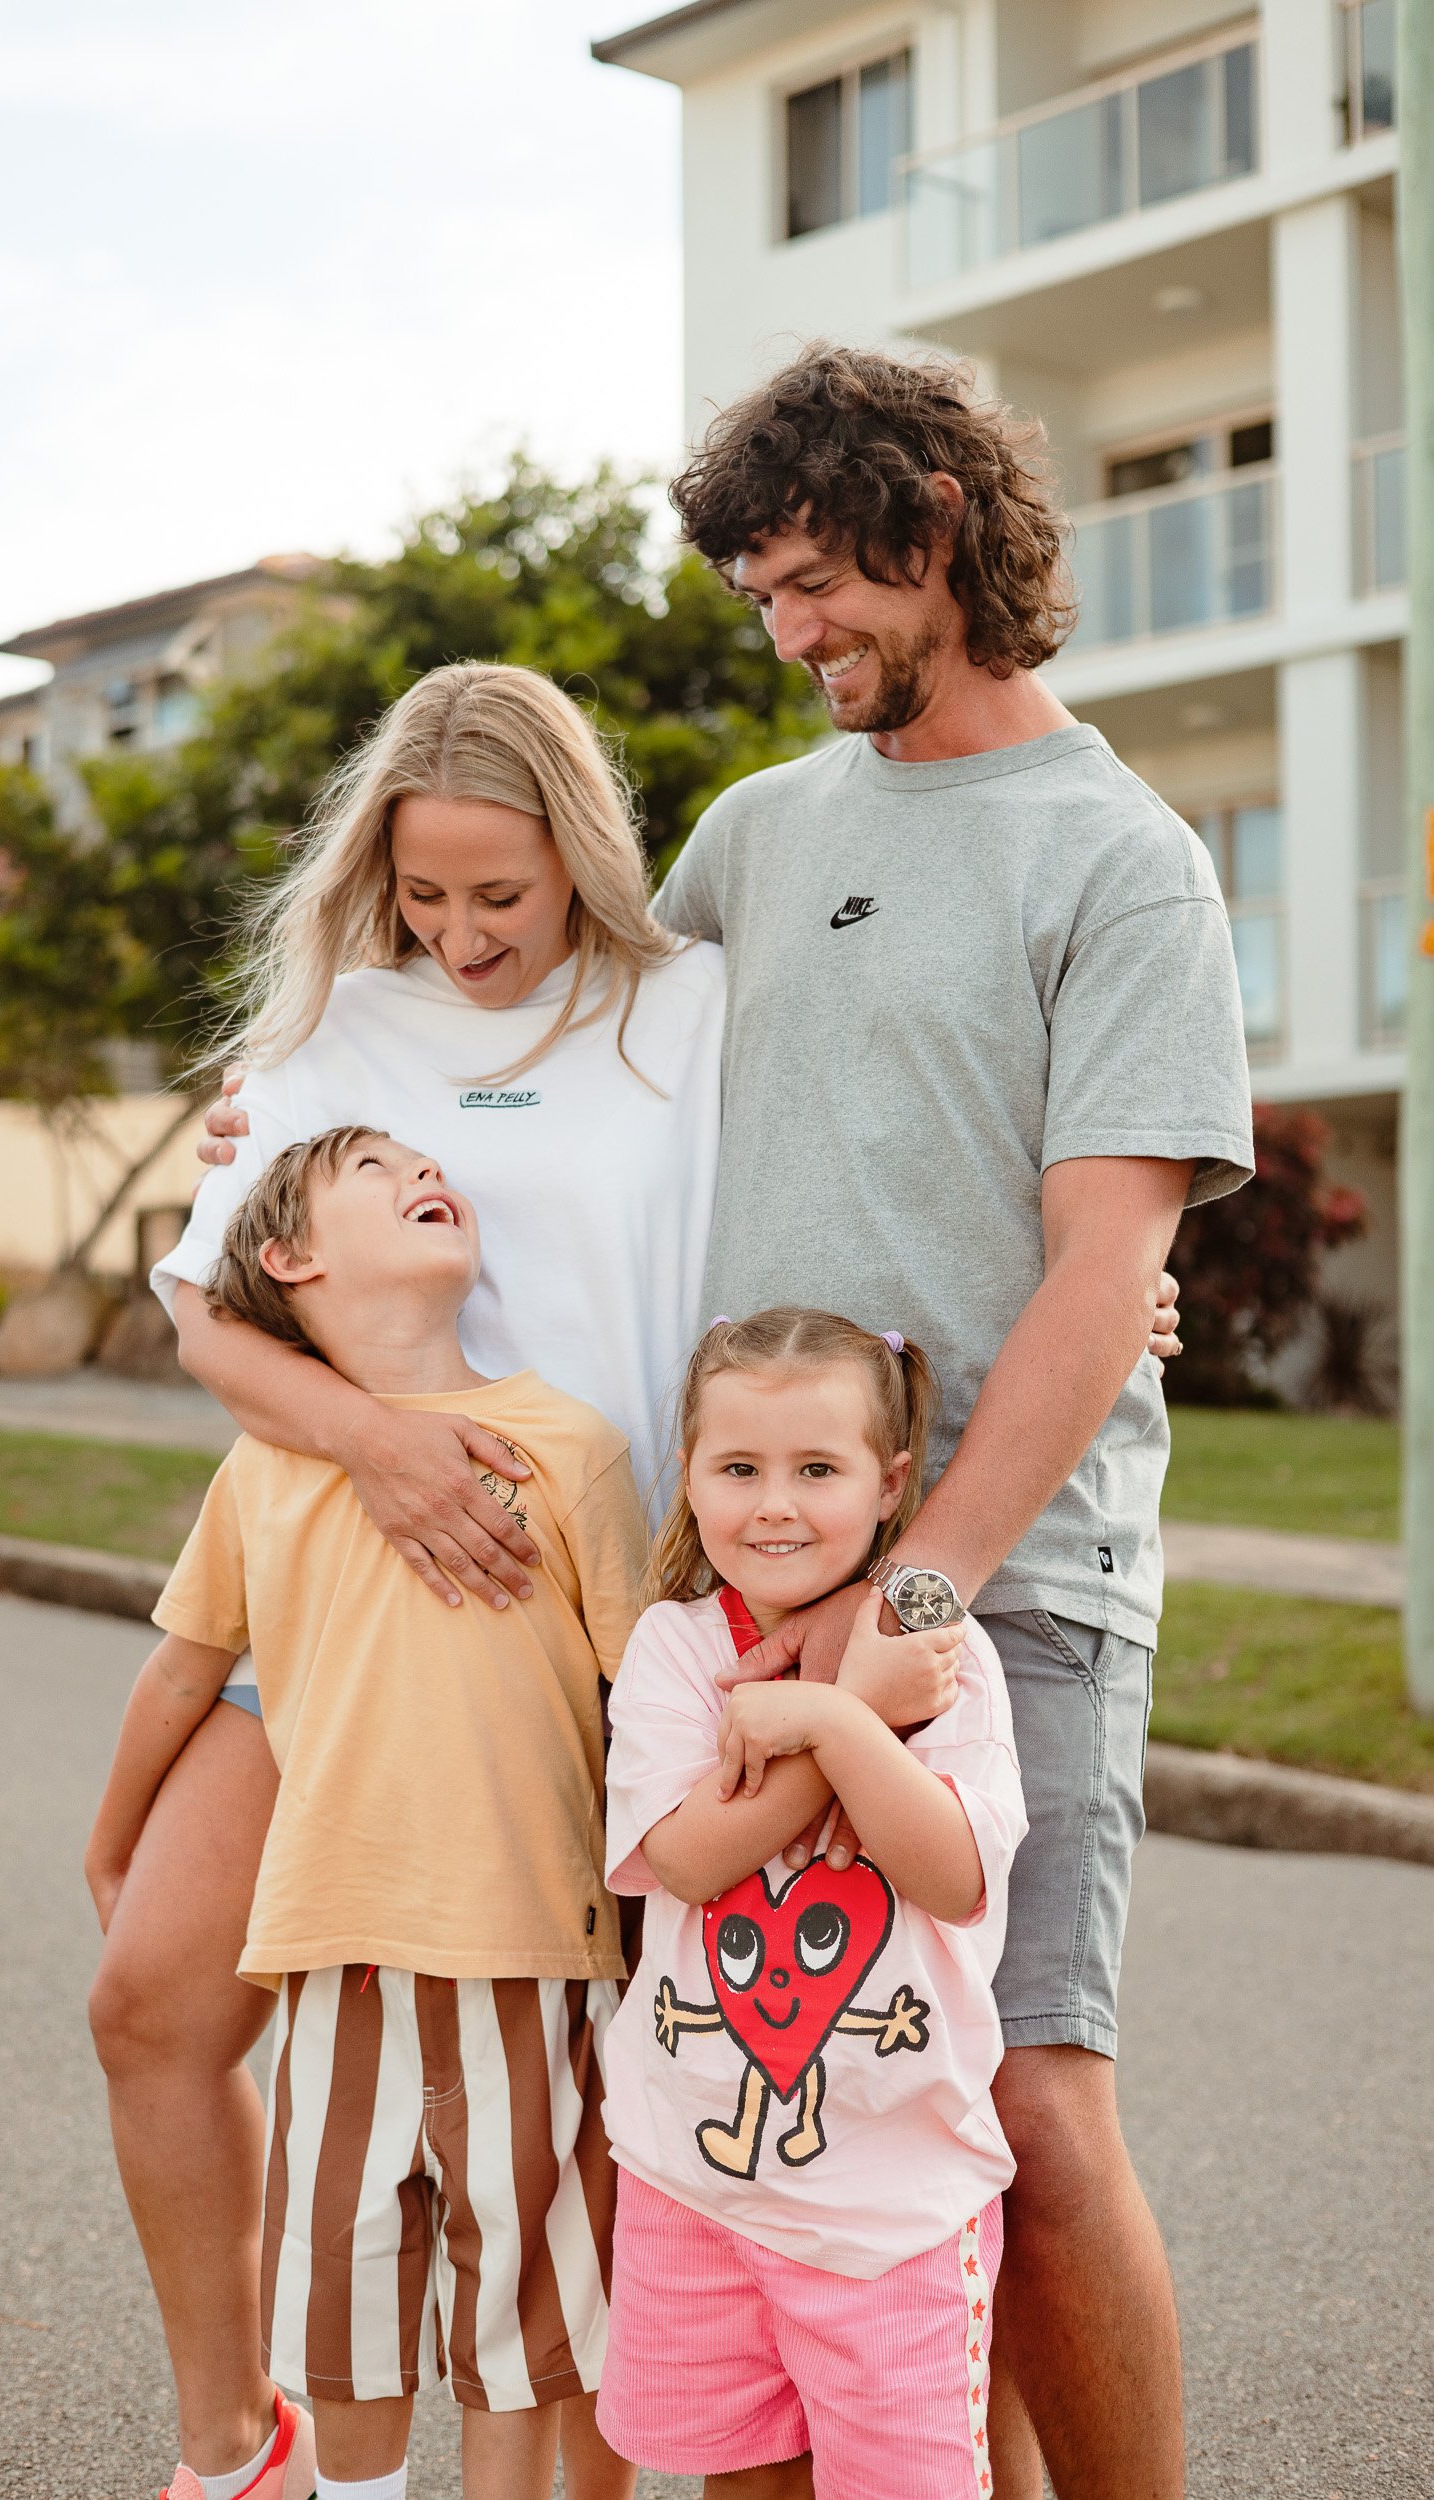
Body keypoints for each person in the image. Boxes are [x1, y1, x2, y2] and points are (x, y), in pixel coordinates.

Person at [650, 344, 1255, 2500]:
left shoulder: (1119, 858)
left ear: (929, 530)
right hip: (740, 1565)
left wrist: (911, 1596)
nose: (786, 631)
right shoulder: (748, 833)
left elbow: (1099, 1268)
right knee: (829, 2108)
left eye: (811, 580)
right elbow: (572, 1075)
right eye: (757, 599)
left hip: (1009, 1580)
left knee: (1023, 2099)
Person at [89, 662, 724, 2500]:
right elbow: (207, 1314)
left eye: (498, 897)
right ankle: (240, 2445)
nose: (457, 938)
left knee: (575, 2128)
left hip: (585, 1616)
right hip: (335, 1602)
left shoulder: (687, 1011)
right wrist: (373, 1445)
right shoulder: (329, 1034)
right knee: (152, 2002)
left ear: (580, 857)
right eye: (420, 895)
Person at [87, 1123, 648, 2500]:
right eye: (372, 1172)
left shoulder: (571, 1450)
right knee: (344, 2310)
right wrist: (109, 1844)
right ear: (291, 1256)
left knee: (518, 2325)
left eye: (425, 1166)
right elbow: (182, 1670)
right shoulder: (265, 1471)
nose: (422, 1174)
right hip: (331, 1959)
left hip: (530, 1959)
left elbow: (640, 1704)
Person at [597, 1307, 1025, 2498]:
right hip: (694, 2181)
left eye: (816, 1469)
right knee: (738, 2479)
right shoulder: (677, 1652)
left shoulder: (943, 1654)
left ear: (890, 1485)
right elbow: (685, 1857)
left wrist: (841, 1715)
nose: (773, 1504)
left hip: (889, 2208)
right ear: (686, 1472)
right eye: (737, 1468)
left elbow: (950, 1871)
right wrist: (840, 1731)